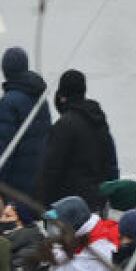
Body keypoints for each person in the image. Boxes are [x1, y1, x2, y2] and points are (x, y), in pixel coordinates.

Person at [37, 70, 118, 210]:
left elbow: (51, 170)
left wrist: (42, 205)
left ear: (63, 95)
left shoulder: (64, 125)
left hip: (69, 205)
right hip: (97, 203)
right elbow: (110, 164)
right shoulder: (99, 123)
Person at [0, 48, 50, 205]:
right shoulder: (40, 97)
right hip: (39, 176)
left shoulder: (8, 101)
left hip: (16, 181)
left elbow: (4, 147)